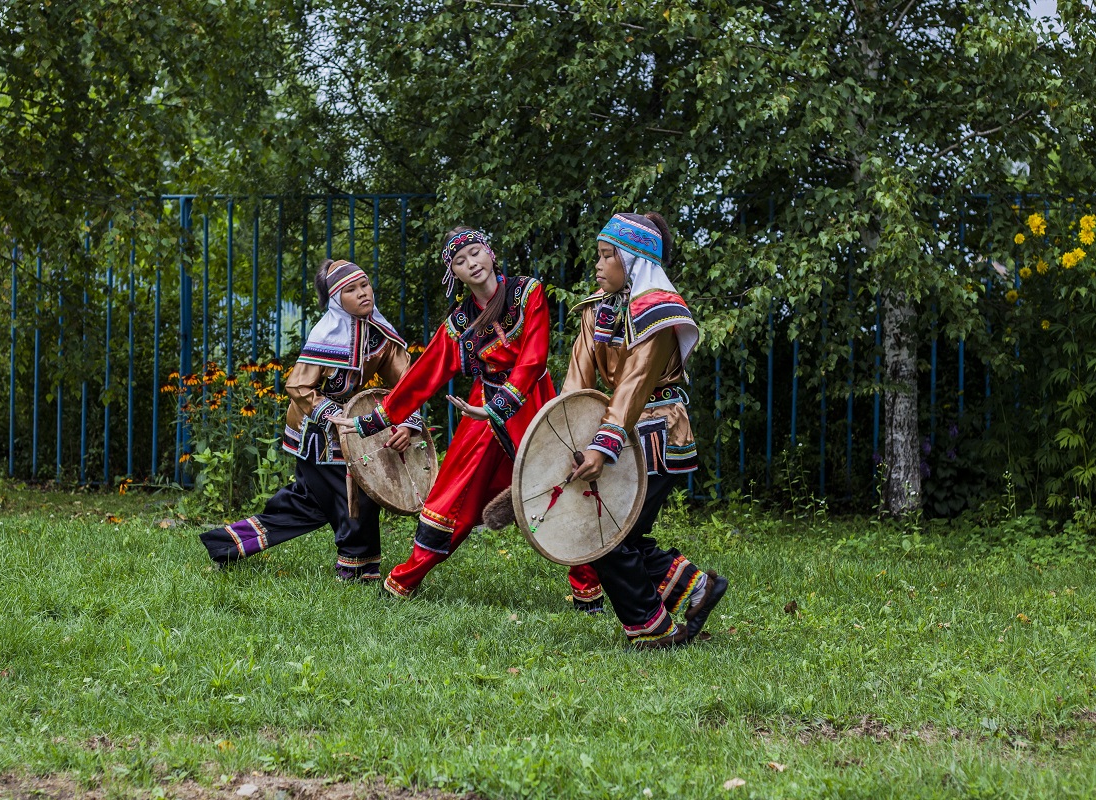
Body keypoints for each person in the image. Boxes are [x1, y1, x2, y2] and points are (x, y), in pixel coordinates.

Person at [334, 227, 596, 600]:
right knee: (454, 494)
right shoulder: (459, 324)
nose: (471, 263)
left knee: (559, 485)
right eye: (460, 261)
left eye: (475, 253)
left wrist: (498, 406)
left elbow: (534, 358)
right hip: (481, 410)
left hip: (533, 403)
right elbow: (424, 375)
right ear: (453, 274)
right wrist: (372, 420)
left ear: (489, 252)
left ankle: (588, 588)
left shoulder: (528, 292)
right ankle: (403, 580)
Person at [560, 212, 728, 649]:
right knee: (617, 533)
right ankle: (692, 588)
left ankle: (652, 626)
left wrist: (601, 446)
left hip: (656, 433)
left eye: (607, 255)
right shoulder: (596, 309)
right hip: (617, 433)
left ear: (633, 260)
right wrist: (564, 434)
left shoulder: (659, 313)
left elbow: (633, 386)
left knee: (610, 535)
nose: (597, 265)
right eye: (597, 255)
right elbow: (578, 380)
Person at [199, 259, 421, 579]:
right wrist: (332, 416)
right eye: (351, 289)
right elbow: (298, 385)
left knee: (309, 504)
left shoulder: (379, 334)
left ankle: (227, 542)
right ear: (336, 300)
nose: (362, 293)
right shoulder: (327, 334)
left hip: (352, 427)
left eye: (365, 285)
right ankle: (358, 570)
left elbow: (408, 385)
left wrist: (406, 423)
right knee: (354, 494)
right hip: (315, 429)